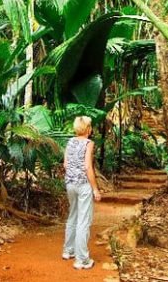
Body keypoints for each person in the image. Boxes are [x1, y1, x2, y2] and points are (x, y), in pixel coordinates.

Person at [62, 115, 101, 269]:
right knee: (83, 221)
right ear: (88, 129)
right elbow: (87, 167)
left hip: (70, 184)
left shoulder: (70, 141)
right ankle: (82, 259)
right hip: (83, 185)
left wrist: (73, 175)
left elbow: (65, 164)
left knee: (73, 216)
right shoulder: (89, 143)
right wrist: (95, 188)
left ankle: (68, 250)